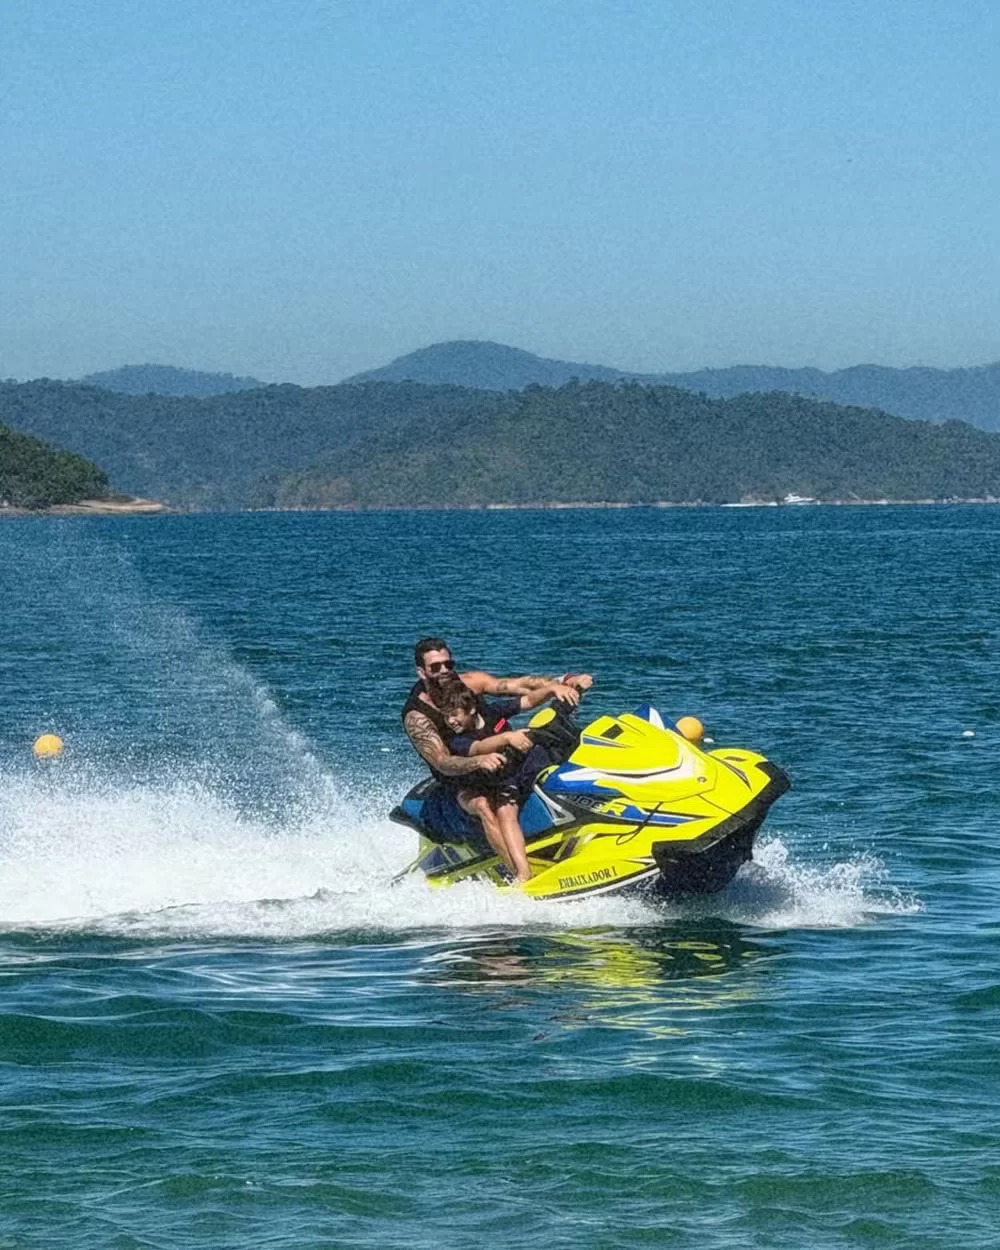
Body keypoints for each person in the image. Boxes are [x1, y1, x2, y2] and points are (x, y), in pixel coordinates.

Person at [401, 637, 592, 880]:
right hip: (460, 779)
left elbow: (517, 688)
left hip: (503, 765)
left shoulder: (468, 686)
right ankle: (521, 876)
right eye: (436, 667)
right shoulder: (417, 716)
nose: (444, 671)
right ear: (421, 672)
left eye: (448, 664)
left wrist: (562, 683)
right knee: (485, 804)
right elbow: (443, 761)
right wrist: (481, 759)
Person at [435, 677, 554, 883]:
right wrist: (507, 738)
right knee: (498, 809)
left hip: (500, 778)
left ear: (471, 709)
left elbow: (527, 702)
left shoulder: (491, 712)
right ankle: (521, 872)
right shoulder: (456, 739)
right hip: (469, 786)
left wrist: (554, 689)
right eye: (446, 717)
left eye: (454, 715)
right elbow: (479, 747)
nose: (451, 721)